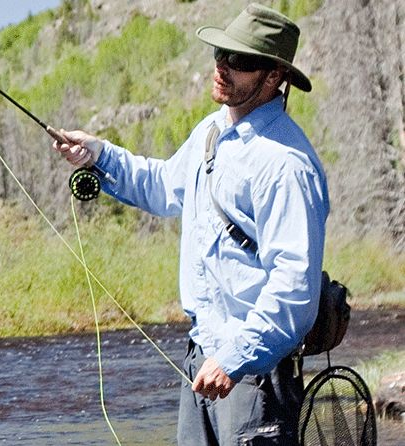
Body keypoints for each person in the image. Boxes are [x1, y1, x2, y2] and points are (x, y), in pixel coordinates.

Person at [53, 3, 329, 445]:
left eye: (239, 61)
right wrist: (100, 154)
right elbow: (162, 185)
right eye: (220, 53)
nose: (222, 67)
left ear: (275, 77)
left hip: (253, 375)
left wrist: (236, 357)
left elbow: (295, 288)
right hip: (200, 359)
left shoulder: (286, 165)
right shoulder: (212, 131)